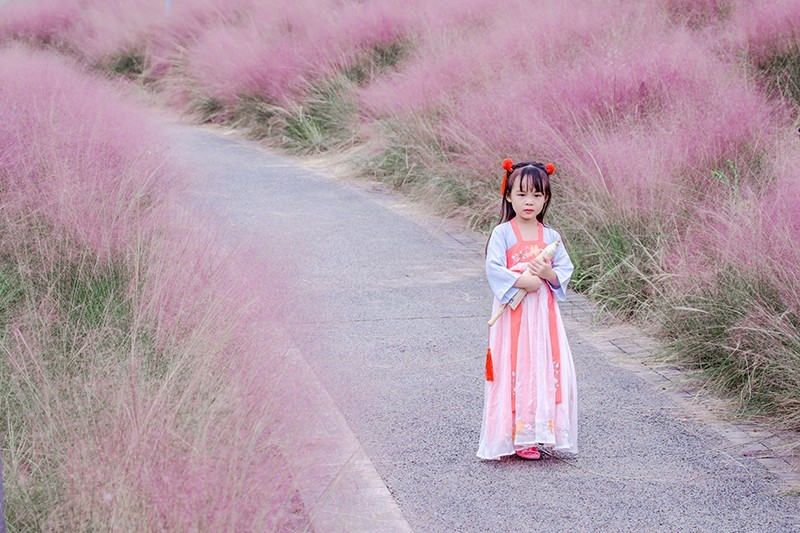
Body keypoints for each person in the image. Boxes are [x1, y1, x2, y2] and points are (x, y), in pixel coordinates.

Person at [477, 158, 578, 460]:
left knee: (542, 366)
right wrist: (523, 280)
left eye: (537, 195)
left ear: (546, 198)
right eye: (521, 194)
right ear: (508, 195)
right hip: (514, 314)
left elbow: (564, 269)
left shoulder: (551, 236)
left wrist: (547, 276)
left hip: (543, 317)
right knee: (515, 366)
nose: (529, 202)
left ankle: (539, 430)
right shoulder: (502, 233)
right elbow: (494, 268)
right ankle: (516, 435)